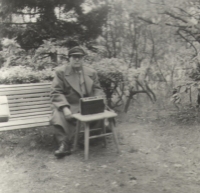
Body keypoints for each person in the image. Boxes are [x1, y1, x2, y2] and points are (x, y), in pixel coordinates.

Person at [50, 46, 104, 158]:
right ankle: (64, 145)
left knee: (103, 112)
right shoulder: (61, 72)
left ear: (83, 58)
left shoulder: (91, 72)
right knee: (58, 115)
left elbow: (97, 89)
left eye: (79, 57)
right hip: (70, 104)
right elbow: (56, 92)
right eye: (74, 57)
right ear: (69, 58)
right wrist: (65, 108)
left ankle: (84, 139)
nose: (77, 59)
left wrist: (96, 101)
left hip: (88, 105)